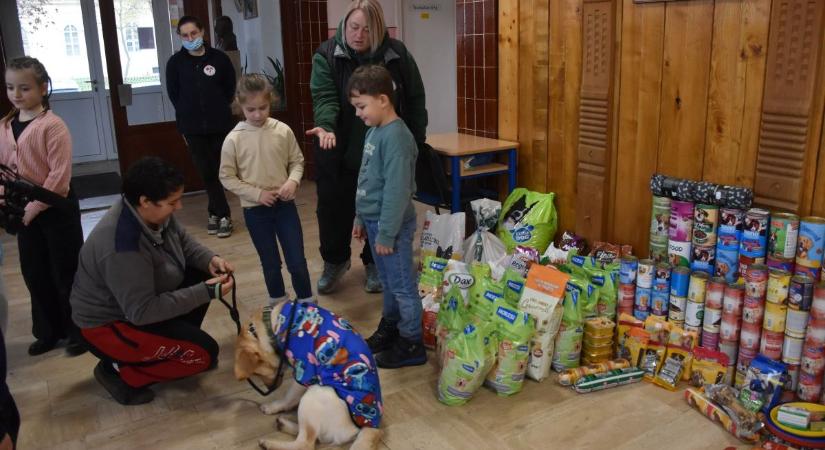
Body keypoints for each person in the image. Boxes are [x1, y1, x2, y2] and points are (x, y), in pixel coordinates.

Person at [70, 157, 234, 405]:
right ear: (145, 201)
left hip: (136, 308)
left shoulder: (146, 212)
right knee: (203, 357)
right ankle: (120, 371)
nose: (178, 207)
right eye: (172, 202)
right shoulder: (121, 246)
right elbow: (141, 311)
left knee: (203, 272)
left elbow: (184, 242)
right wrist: (205, 293)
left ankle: (164, 347)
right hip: (108, 326)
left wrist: (210, 259)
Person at [307, 0, 427, 295]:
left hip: (382, 156)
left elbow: (415, 98)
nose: (358, 35)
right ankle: (335, 261)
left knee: (382, 207)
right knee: (333, 211)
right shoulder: (326, 55)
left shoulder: (396, 55)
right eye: (353, 27)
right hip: (338, 150)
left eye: (366, 29)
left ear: (378, 30)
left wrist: (416, 142)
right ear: (344, 26)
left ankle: (374, 262)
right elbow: (324, 98)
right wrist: (326, 127)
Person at [0, 56, 86, 357]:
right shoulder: (6, 125)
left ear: (42, 87)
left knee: (65, 271)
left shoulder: (53, 126)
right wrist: (6, 203)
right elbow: (4, 169)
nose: (16, 95)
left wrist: (31, 209)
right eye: (11, 87)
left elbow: (58, 178)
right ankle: (49, 331)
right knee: (34, 271)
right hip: (24, 211)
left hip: (55, 208)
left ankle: (78, 332)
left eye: (24, 88)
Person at [349, 65, 424, 368]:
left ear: (383, 99)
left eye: (361, 106)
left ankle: (411, 342)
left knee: (403, 285)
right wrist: (359, 217)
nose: (358, 113)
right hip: (375, 221)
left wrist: (387, 233)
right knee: (390, 283)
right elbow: (366, 177)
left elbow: (397, 190)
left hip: (390, 225)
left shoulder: (397, 138)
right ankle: (391, 328)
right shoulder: (375, 131)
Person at [219, 74, 313, 304]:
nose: (258, 114)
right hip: (255, 211)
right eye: (251, 110)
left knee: (297, 260)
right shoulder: (234, 139)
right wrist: (257, 194)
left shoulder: (283, 130)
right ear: (240, 106)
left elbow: (297, 161)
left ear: (271, 101)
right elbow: (226, 177)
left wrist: (293, 181)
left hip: (285, 207)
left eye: (263, 107)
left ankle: (307, 304)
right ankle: (279, 305)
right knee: (270, 263)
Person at [166, 15, 236, 238]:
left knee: (219, 171)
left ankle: (214, 212)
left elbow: (229, 89)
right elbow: (174, 95)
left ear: (203, 32)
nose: (190, 38)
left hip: (220, 126)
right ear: (180, 37)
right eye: (185, 35)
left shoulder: (220, 59)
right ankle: (224, 214)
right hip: (192, 128)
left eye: (193, 33)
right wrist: (189, 116)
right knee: (206, 172)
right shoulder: (175, 63)